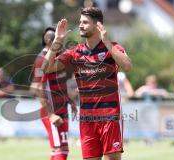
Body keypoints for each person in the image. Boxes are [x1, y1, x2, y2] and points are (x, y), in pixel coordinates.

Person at [42, 7, 132, 160]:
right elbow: (46, 68)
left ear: (97, 25)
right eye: (80, 22)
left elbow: (128, 66)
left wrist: (107, 43)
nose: (80, 25)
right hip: (87, 119)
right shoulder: (75, 51)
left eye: (85, 22)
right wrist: (57, 41)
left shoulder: (113, 47)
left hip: (110, 117)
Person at [31, 26, 77, 160]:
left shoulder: (59, 58)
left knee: (58, 150)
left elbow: (60, 84)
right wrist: (50, 115)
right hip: (52, 111)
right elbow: (37, 86)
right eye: (58, 40)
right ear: (49, 41)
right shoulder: (41, 60)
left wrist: (70, 101)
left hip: (63, 109)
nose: (62, 43)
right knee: (61, 150)